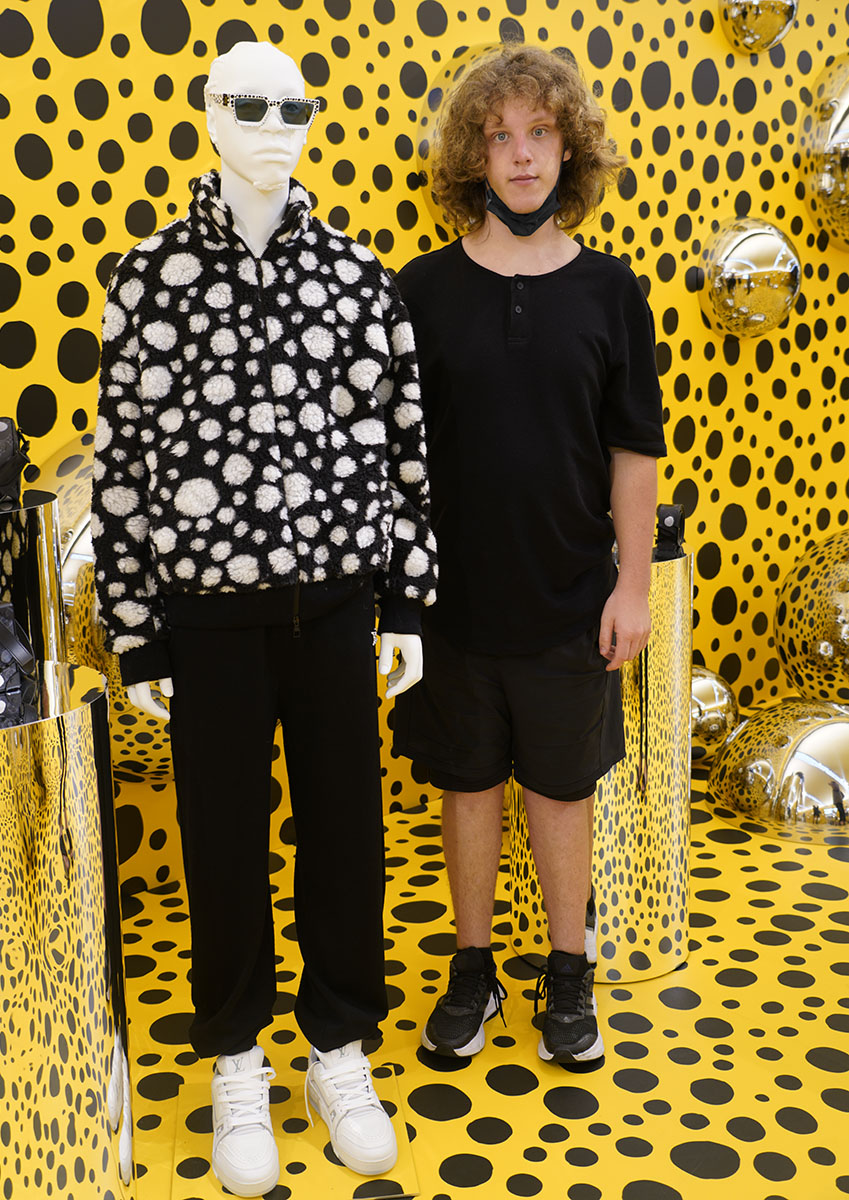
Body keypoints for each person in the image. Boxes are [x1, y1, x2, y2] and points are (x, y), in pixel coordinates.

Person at [92, 41, 436, 1197]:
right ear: (206, 115)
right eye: (248, 104)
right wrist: (136, 629)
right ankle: (235, 1056)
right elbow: (125, 466)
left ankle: (335, 1050)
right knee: (223, 842)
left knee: (349, 833)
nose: (274, 124)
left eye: (294, 105)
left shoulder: (355, 272)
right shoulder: (147, 277)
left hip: (339, 605)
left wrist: (405, 599)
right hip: (209, 621)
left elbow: (401, 448)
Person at [392, 44, 666, 1066]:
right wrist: (399, 604)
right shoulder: (418, 288)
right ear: (471, 156)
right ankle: (471, 969)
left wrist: (630, 584)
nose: (518, 155)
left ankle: (566, 972)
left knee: (560, 790)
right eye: (497, 136)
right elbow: (393, 453)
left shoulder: (609, 291)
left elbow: (632, 449)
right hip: (452, 605)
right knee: (466, 787)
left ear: (567, 150)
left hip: (568, 600)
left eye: (536, 134)